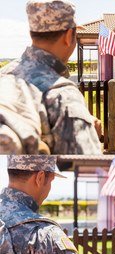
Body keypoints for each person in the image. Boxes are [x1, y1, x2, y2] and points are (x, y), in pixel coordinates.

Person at [0, 0, 104, 157]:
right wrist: (90, 133)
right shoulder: (63, 95)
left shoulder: (5, 73)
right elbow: (85, 166)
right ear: (69, 36)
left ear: (32, 33)